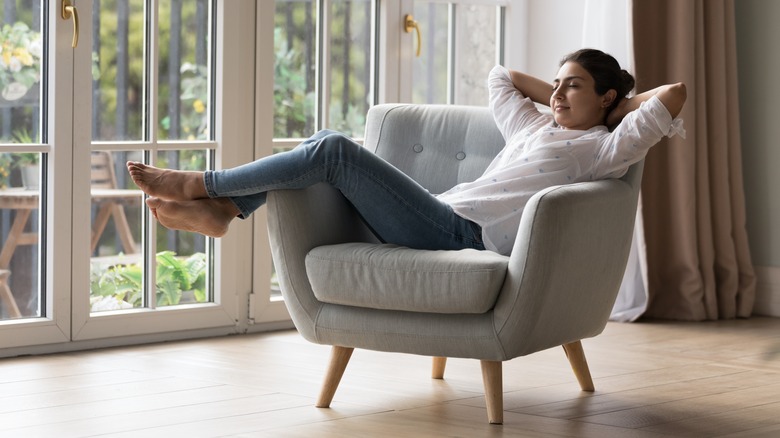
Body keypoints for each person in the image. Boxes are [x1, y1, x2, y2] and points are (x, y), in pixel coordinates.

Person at [128, 48, 686, 257]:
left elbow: (674, 95)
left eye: (574, 87)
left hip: (464, 234)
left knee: (335, 150)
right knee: (325, 145)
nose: (559, 93)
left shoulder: (604, 148)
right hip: (438, 211)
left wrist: (617, 109)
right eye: (558, 84)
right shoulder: (532, 128)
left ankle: (207, 188)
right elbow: (501, 75)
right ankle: (224, 209)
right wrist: (565, 93)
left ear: (609, 99)